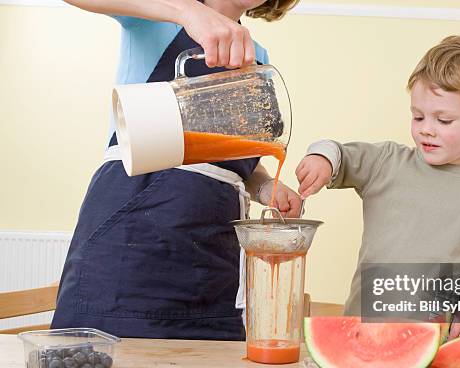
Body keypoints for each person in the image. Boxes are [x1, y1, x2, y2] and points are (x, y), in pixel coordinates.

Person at [51, 0, 302, 340]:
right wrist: (187, 12)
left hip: (211, 253)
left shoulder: (258, 56)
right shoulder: (154, 18)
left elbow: (227, 156)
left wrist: (265, 186)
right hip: (132, 238)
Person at [295, 35, 460, 339]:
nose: (426, 129)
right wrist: (321, 157)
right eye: (418, 116)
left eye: (444, 120)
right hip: (361, 332)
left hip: (439, 340)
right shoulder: (386, 162)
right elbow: (340, 153)